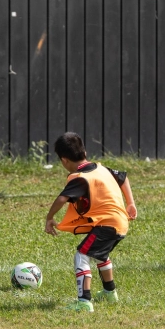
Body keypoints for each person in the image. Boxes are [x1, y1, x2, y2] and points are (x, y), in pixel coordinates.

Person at [44, 132, 137, 312]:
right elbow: (123, 178)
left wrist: (49, 218)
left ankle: (84, 302)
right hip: (120, 222)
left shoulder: (80, 178)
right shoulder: (101, 169)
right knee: (100, 253)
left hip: (107, 224)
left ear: (64, 161)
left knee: (82, 255)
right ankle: (110, 293)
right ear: (84, 151)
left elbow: (62, 199)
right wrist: (131, 203)